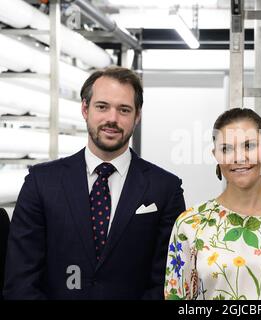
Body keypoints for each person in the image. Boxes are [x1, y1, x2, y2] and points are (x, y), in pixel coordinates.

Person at [3, 66, 185, 299]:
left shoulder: (165, 189)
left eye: (124, 110)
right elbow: (20, 281)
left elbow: (166, 282)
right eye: (102, 106)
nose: (112, 118)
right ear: (84, 108)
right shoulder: (41, 183)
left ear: (137, 116)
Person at [164, 108, 261, 300]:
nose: (239, 157)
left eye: (249, 146)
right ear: (215, 155)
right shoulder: (190, 224)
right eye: (226, 149)